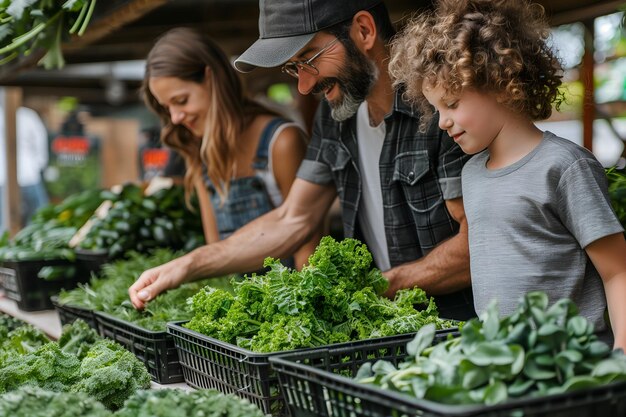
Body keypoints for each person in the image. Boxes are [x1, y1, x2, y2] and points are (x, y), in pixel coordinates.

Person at [130, 1, 475, 321]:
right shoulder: (335, 116)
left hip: (460, 332)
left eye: (309, 59)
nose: (304, 86)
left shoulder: (440, 110)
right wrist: (187, 266)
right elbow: (292, 219)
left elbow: (477, 243)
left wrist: (384, 285)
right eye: (294, 68)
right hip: (391, 328)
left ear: (364, 31)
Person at [388, 0, 626, 349]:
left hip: (572, 368)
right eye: (435, 108)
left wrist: (620, 356)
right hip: (503, 369)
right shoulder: (471, 175)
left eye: (452, 104)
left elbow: (617, 270)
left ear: (501, 82)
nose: (442, 121)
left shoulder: (564, 166)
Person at [141, 27, 319, 268]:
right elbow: (215, 250)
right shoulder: (200, 151)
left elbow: (308, 248)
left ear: (211, 78)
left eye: (181, 101)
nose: (174, 118)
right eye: (166, 108)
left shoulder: (281, 141)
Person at [0, 106, 49, 229]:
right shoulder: (28, 115)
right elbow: (40, 144)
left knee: (5, 223)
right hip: (28, 175)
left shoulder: (28, 115)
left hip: (16, 176)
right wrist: (39, 165)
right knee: (38, 220)